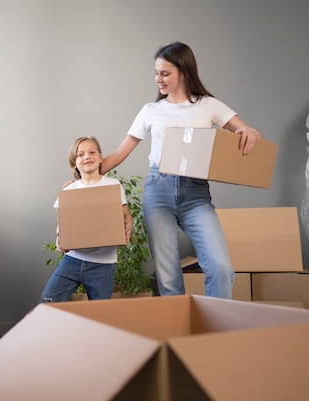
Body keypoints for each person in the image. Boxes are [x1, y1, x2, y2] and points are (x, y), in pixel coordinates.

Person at [100, 42, 263, 298]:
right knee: (169, 279)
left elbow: (248, 134)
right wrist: (80, 177)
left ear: (184, 72)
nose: (158, 79)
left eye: (165, 73)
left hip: (195, 194)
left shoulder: (209, 105)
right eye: (156, 73)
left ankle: (213, 331)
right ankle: (181, 336)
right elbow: (118, 155)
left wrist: (250, 133)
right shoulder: (151, 110)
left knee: (221, 268)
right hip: (158, 192)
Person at [40, 136, 133, 302]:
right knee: (49, 300)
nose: (87, 156)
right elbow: (62, 225)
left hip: (104, 263)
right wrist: (59, 239)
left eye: (92, 152)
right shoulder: (70, 190)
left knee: (101, 314)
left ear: (100, 157)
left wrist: (127, 226)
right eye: (80, 154)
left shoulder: (113, 185)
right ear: (74, 163)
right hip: (73, 259)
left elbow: (125, 216)